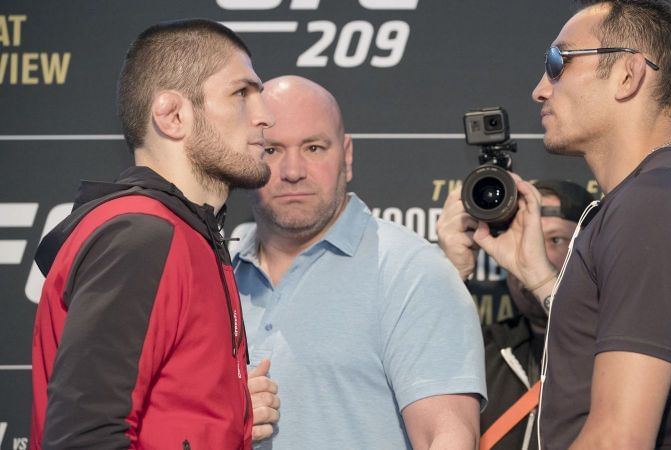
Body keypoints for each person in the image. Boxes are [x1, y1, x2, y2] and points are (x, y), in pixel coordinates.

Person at [473, 1, 671, 448]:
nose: (540, 89)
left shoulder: (655, 208)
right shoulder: (657, 198)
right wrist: (538, 277)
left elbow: (617, 439)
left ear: (628, 74)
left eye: (557, 63)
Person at [30, 19, 280, 449]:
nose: (265, 117)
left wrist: (229, 413)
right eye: (242, 94)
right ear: (172, 115)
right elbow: (84, 438)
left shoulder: (188, 236)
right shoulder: (142, 238)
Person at [234, 75, 487, 449]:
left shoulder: (412, 271)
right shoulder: (215, 272)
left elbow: (447, 438)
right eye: (271, 150)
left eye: (314, 148)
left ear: (347, 156)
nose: (292, 171)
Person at [437, 179, 595, 449]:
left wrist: (541, 279)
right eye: (526, 237)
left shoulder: (615, 353)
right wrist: (453, 273)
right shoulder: (480, 349)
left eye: (556, 240)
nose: (534, 252)